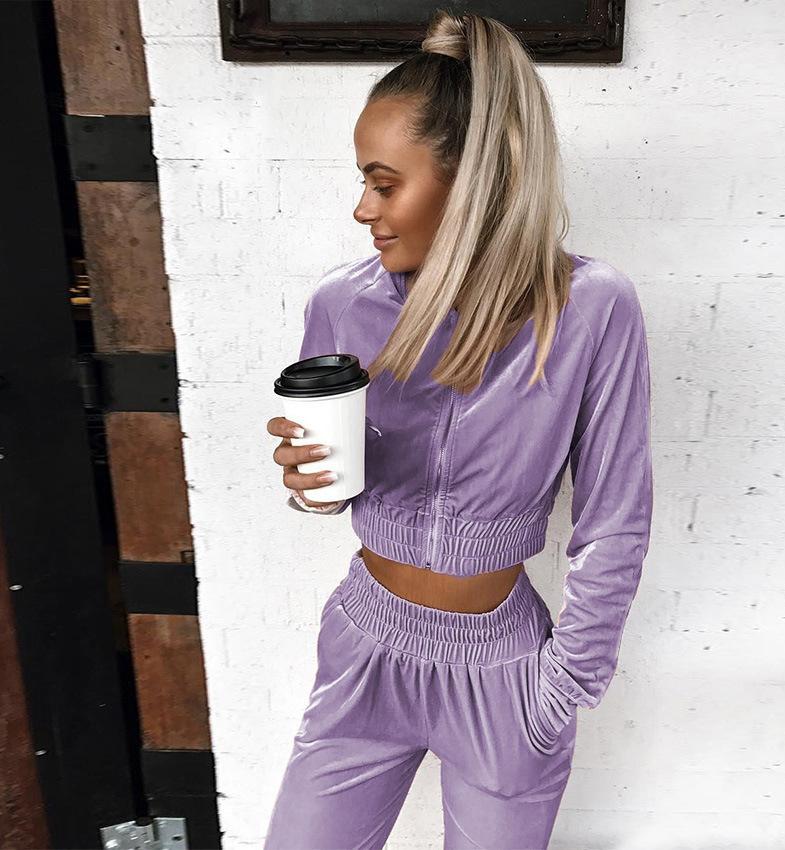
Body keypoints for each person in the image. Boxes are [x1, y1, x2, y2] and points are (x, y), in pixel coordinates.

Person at [264, 9, 653, 849]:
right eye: (364, 182)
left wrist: (564, 688)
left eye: (384, 183)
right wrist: (311, 485)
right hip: (365, 647)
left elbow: (615, 516)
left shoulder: (590, 310)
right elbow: (336, 485)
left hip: (505, 675)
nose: (363, 208)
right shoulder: (342, 303)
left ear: (471, 182)